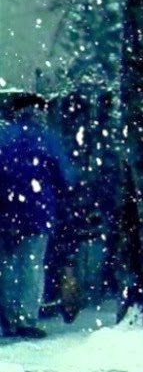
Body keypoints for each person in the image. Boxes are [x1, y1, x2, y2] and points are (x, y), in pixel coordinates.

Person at [0, 92, 75, 340]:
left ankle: (8, 317)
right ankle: (26, 318)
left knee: (8, 265)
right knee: (32, 264)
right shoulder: (47, 139)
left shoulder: (4, 136)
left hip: (5, 211)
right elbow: (66, 177)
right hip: (38, 211)